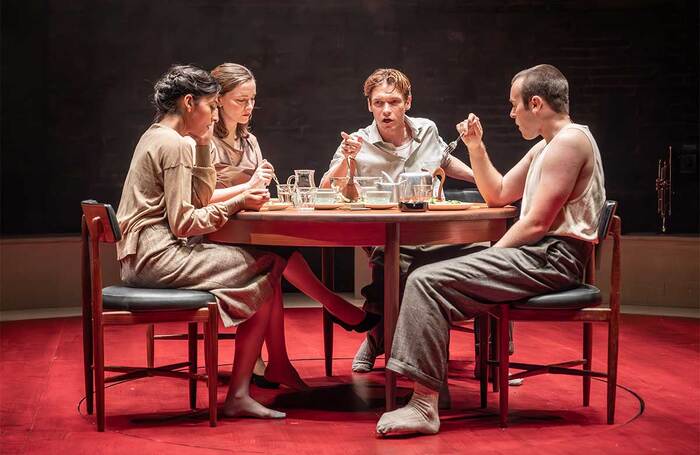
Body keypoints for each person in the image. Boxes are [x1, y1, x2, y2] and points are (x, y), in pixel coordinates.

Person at [376, 64, 606, 436]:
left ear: (536, 103)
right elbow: (497, 193)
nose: (511, 113)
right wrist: (475, 146)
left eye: (515, 105)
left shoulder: (571, 142)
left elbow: (536, 224)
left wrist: (489, 253)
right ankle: (423, 386)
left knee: (425, 281)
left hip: (554, 257)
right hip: (539, 253)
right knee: (424, 270)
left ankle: (423, 405)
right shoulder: (546, 147)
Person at [115, 64, 305, 420]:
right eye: (213, 106)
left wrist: (203, 146)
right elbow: (186, 223)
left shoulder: (157, 136)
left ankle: (243, 389)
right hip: (156, 257)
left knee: (265, 270)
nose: (216, 114)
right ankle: (239, 393)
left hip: (140, 254)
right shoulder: (173, 146)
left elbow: (200, 200)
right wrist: (239, 200)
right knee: (270, 262)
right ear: (190, 102)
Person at [208, 63, 378, 386]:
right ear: (218, 100)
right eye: (240, 100)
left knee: (274, 256)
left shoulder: (250, 142)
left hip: (247, 231)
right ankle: (331, 306)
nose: (249, 107)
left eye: (253, 100)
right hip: (216, 234)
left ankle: (279, 362)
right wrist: (249, 188)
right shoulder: (205, 143)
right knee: (272, 260)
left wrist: (263, 189)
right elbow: (200, 198)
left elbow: (258, 192)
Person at [319, 68, 475, 373]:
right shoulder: (357, 141)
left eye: (393, 102)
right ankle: (386, 340)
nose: (386, 110)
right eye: (378, 103)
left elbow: (444, 160)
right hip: (381, 235)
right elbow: (326, 188)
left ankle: (494, 358)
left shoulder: (427, 130)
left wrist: (485, 179)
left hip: (431, 232)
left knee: (486, 254)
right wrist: (348, 160)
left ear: (408, 102)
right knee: (393, 260)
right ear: (369, 105)